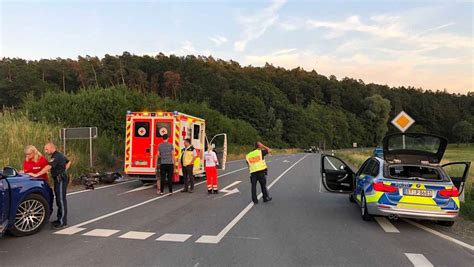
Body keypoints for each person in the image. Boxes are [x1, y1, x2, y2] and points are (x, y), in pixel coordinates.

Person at [28, 142, 71, 229]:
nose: (45, 151)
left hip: (61, 179)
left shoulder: (56, 156)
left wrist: (37, 174)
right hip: (59, 178)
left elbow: (48, 166)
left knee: (61, 200)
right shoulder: (59, 155)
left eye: (47, 149)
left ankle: (62, 222)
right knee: (59, 199)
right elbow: (68, 161)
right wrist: (63, 169)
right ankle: (60, 219)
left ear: (52, 148)